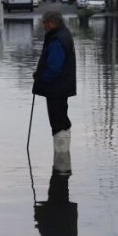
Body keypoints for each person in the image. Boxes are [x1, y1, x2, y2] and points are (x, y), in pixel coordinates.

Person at [33, 10, 76, 152]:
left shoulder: (58, 39)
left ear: (52, 22)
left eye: (44, 23)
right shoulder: (63, 34)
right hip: (60, 87)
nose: (43, 26)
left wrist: (40, 77)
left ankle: (61, 160)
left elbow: (54, 68)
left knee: (59, 122)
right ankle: (62, 162)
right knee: (60, 119)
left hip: (57, 88)